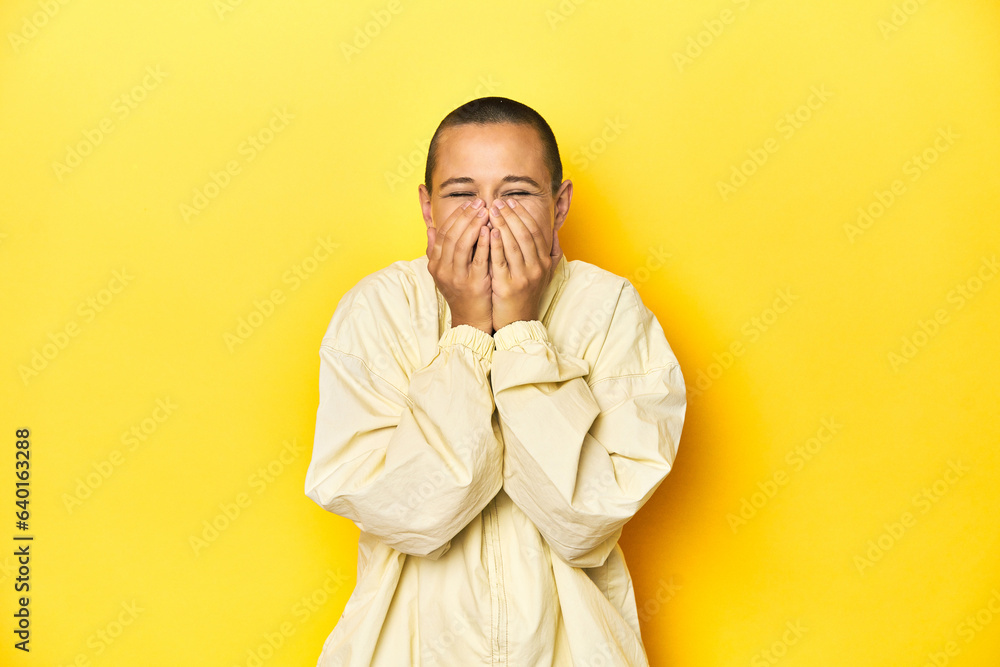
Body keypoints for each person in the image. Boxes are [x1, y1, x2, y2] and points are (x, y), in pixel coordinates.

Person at [303, 96, 686, 666]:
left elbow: (584, 518)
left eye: (517, 192)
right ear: (428, 208)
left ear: (559, 205)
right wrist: (465, 337)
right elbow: (415, 516)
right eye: (461, 194)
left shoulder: (609, 311)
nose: (488, 216)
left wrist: (521, 336)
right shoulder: (376, 311)